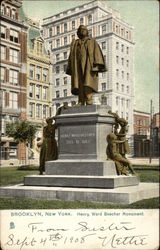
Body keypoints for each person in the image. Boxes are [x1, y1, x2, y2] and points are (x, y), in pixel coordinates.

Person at [66, 25, 107, 105]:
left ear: (87, 32)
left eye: (84, 29)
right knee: (79, 83)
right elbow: (71, 56)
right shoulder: (75, 43)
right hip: (77, 65)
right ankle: (81, 100)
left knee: (87, 83)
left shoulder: (92, 41)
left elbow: (97, 53)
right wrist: (70, 67)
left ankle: (89, 100)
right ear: (78, 33)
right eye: (80, 30)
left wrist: (97, 65)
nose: (82, 31)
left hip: (88, 65)